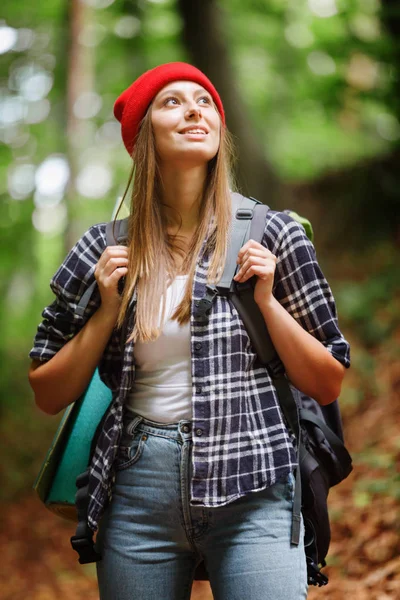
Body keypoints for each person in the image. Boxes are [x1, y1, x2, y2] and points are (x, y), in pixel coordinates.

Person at [28, 62, 350, 600]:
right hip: (136, 489)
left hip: (256, 479)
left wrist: (267, 302)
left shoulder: (275, 234)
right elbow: (46, 391)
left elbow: (328, 381)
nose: (194, 109)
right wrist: (107, 310)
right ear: (143, 135)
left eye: (203, 101)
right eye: (171, 102)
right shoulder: (103, 250)